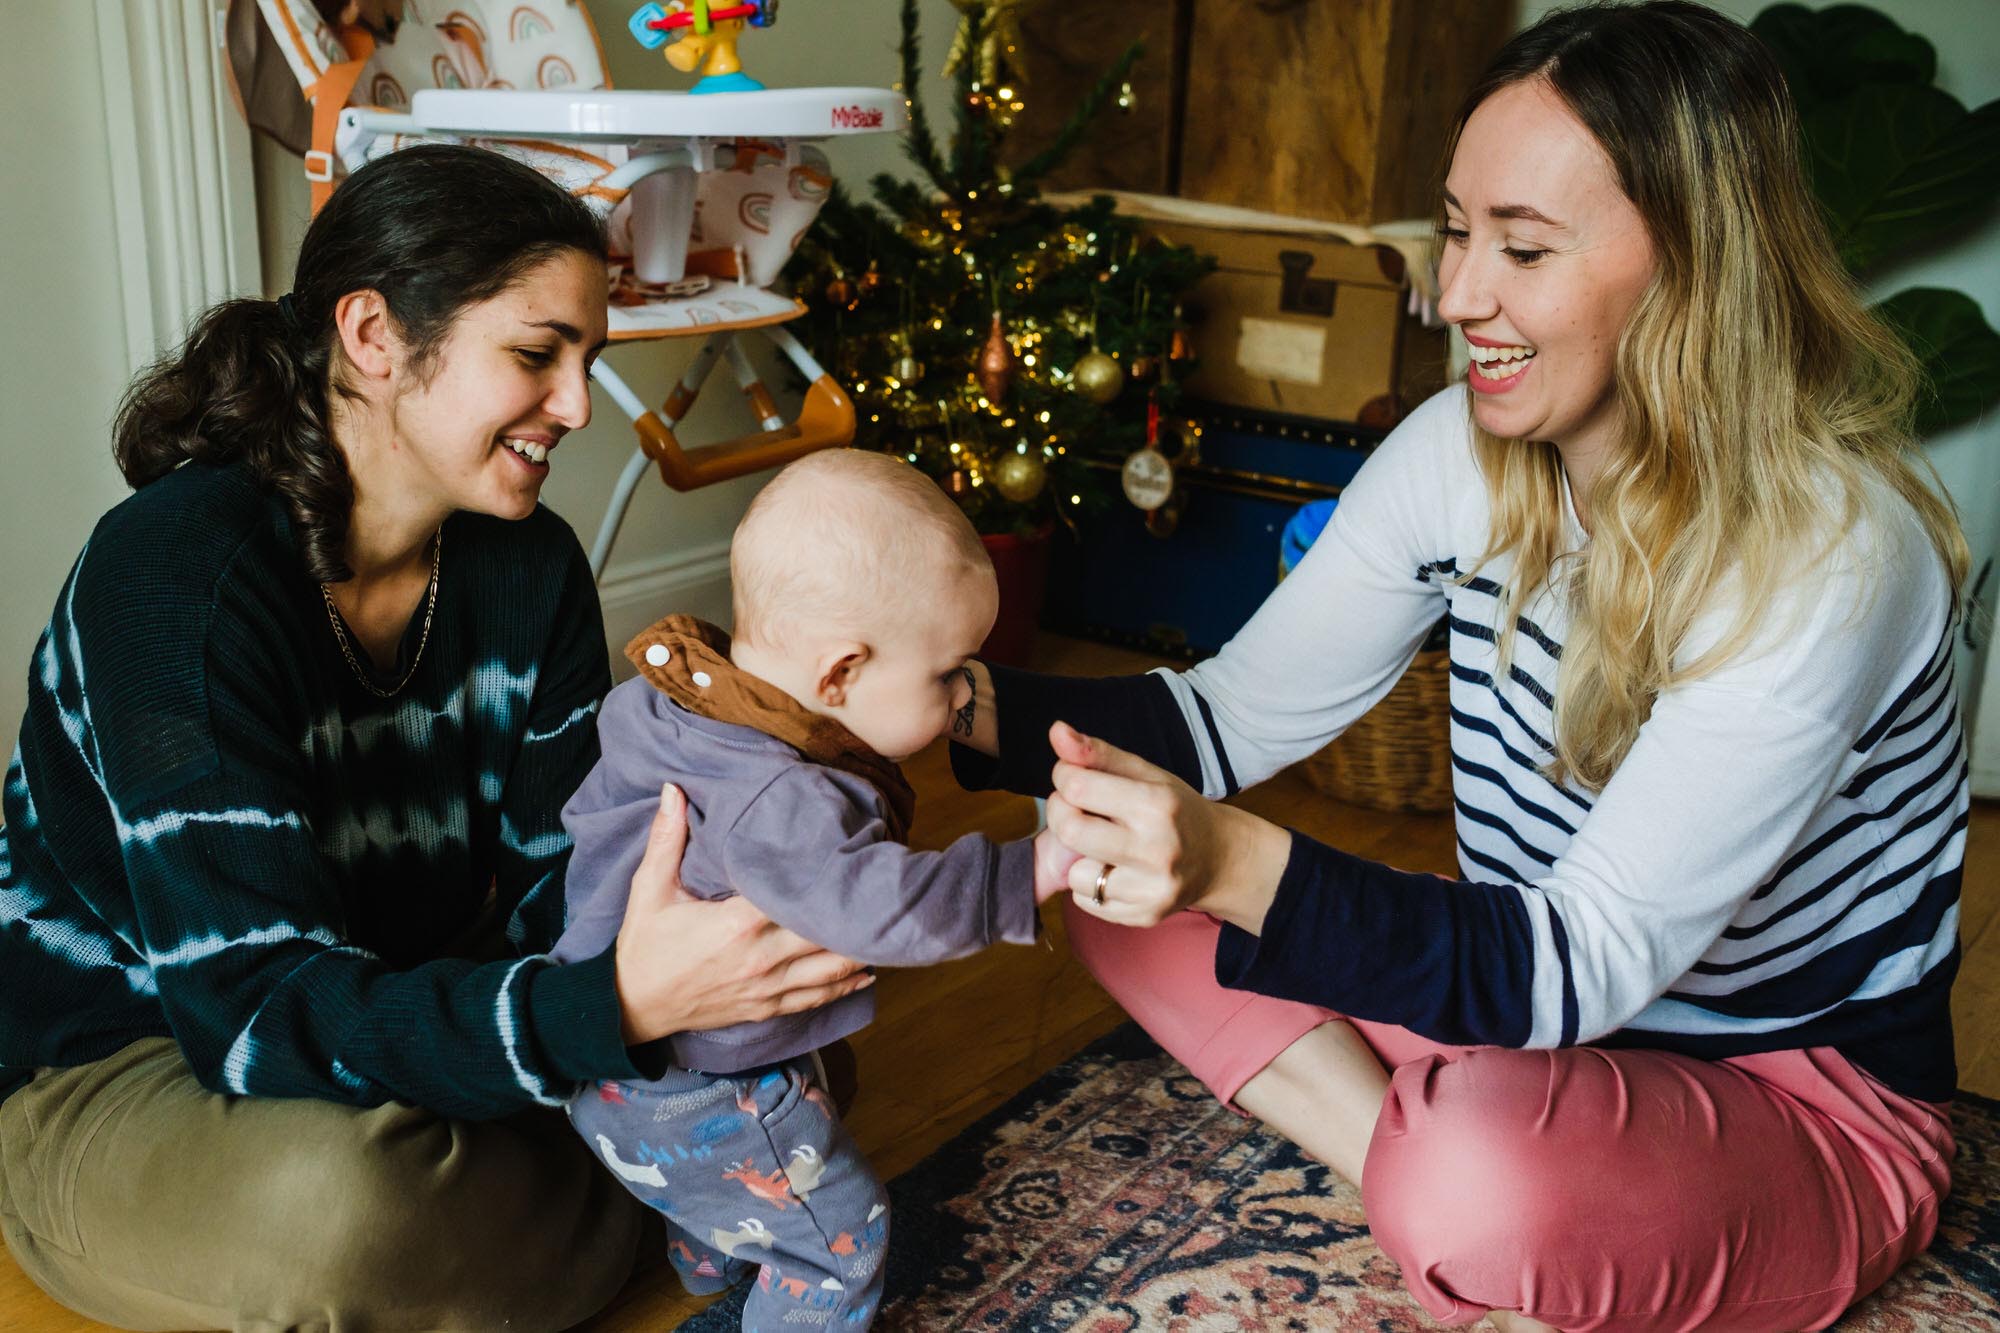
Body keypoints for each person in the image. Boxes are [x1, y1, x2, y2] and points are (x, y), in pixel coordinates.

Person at [958, 4, 1971, 1330]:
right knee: (1099, 847)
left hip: (1795, 1095)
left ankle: (1467, 1190)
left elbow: (1585, 958)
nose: (1457, 292)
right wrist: (939, 712)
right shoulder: (1464, 448)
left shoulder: (1827, 552)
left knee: (1474, 1170)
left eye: (1525, 247)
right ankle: (1440, 1175)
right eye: (1457, 228)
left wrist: (1231, 863)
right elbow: (1221, 716)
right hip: (1544, 1019)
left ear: (1694, 271)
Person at [0, 144, 872, 1331]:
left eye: (587, 362)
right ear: (371, 335)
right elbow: (252, 1015)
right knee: (343, 1211)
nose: (573, 406)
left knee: (776, 1035)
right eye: (535, 355)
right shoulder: (173, 574)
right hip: (144, 1066)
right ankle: (671, 1209)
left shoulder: (530, 563)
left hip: (416, 1004)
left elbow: (561, 891)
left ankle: (585, 1214)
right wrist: (612, 1011)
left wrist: (723, 930)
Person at [551, 448, 1072, 1329]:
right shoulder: (780, 796)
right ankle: (775, 1266)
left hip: (604, 1060)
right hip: (705, 1095)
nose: (960, 696)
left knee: (750, 1166)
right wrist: (1033, 867)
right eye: (949, 672)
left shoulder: (672, 703)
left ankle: (711, 1252)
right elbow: (885, 906)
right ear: (839, 674)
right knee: (843, 1241)